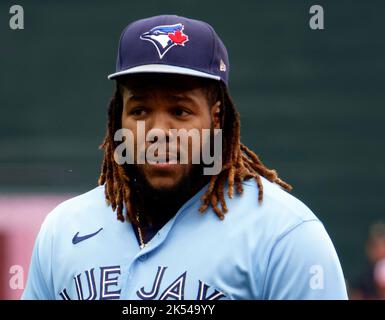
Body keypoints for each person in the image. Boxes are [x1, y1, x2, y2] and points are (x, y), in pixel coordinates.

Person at [22, 14, 347, 300]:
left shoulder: (284, 235)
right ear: (118, 117)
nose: (158, 130)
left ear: (216, 118)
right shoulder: (63, 230)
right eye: (140, 110)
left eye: (180, 111)